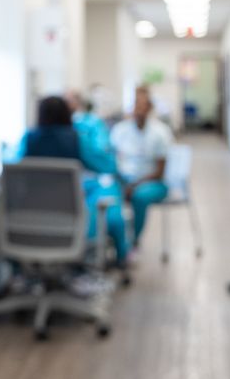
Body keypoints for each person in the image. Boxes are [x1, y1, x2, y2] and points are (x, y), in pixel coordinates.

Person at [19, 96, 129, 265]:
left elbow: (13, 164)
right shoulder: (76, 140)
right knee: (110, 209)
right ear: (67, 115)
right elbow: (107, 165)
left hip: (35, 221)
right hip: (72, 219)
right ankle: (120, 258)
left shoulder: (28, 139)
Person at [110, 86, 174, 252]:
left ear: (150, 109)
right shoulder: (120, 130)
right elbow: (111, 159)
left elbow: (160, 172)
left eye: (143, 107)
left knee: (139, 197)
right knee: (108, 194)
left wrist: (135, 185)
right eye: (136, 106)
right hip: (124, 179)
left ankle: (132, 242)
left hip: (152, 182)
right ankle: (114, 242)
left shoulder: (160, 132)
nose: (139, 111)